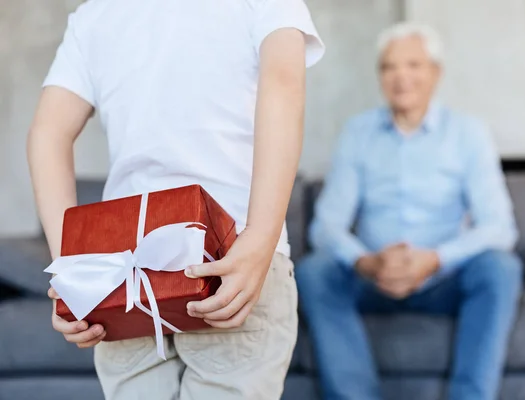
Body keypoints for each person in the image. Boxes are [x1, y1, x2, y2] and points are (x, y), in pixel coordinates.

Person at [27, 0, 324, 399]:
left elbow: (47, 133)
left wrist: (75, 268)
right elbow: (284, 85)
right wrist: (261, 236)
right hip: (233, 255)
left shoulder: (96, 14)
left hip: (122, 273)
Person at [296, 22, 522, 400]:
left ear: (435, 73)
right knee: (314, 271)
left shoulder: (469, 134)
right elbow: (326, 227)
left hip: (442, 278)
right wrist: (366, 262)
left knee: (501, 267)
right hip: (374, 276)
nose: (401, 76)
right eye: (389, 67)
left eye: (413, 65)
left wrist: (434, 260)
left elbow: (499, 227)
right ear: (380, 76)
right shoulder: (358, 133)